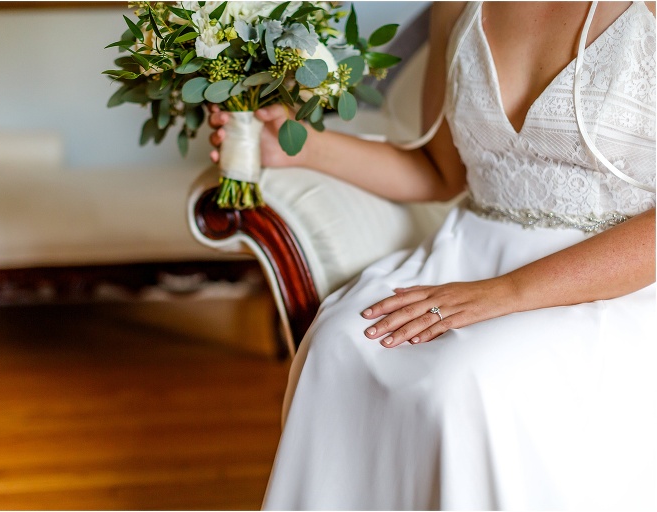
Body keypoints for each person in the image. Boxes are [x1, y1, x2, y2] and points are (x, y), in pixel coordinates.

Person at [209, 1, 656, 509]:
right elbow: (439, 170)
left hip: (617, 279)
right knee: (338, 343)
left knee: (462, 378)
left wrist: (504, 293)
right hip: (469, 250)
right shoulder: (458, 6)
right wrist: (296, 146)